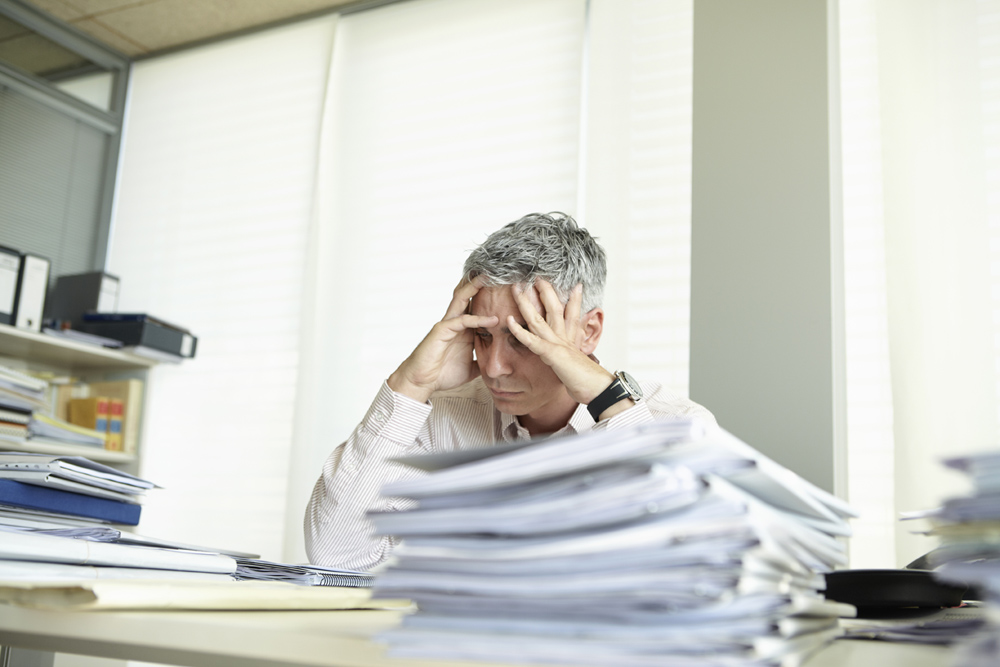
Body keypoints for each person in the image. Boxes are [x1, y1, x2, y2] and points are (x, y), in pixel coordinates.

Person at [304, 212, 714, 570]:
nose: (494, 367)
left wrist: (609, 400)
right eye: (482, 335)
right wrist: (410, 386)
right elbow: (337, 553)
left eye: (524, 338)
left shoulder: (678, 427)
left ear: (589, 331)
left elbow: (685, 563)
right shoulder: (444, 419)